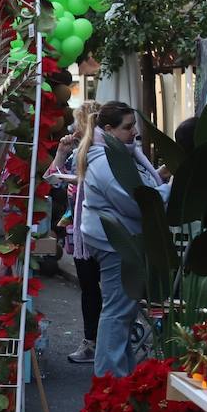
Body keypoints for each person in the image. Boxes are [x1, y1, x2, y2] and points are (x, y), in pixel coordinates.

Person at [78, 101, 170, 378]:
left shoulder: (112, 156)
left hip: (114, 240)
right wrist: (170, 190)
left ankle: (119, 377)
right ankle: (110, 381)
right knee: (118, 312)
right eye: (127, 127)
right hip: (115, 243)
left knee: (121, 312)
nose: (133, 133)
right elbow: (136, 203)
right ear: (108, 129)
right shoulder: (107, 161)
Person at [46, 101, 102, 364]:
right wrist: (60, 151)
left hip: (97, 231)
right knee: (90, 287)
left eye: (77, 122)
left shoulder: (100, 152)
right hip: (78, 233)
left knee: (97, 289)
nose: (72, 128)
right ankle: (92, 340)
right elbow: (52, 178)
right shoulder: (74, 152)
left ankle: (98, 341)